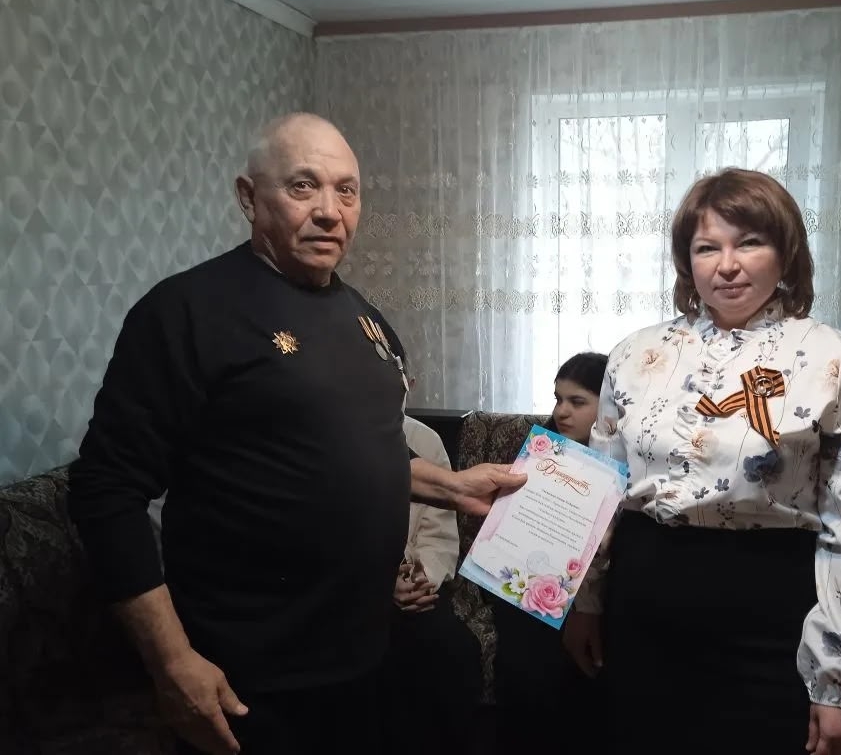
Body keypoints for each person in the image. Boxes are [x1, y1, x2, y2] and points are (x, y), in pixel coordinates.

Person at [67, 112, 524, 755]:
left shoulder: (366, 320)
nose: (330, 211)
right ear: (249, 197)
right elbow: (104, 490)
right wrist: (172, 662)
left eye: (346, 190)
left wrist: (453, 487)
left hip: (368, 657)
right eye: (303, 186)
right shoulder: (186, 312)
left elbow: (357, 454)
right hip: (252, 675)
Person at [562, 169, 841, 755]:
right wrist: (584, 602)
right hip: (642, 605)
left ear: (785, 251)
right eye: (707, 248)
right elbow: (600, 491)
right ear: (685, 261)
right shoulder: (635, 354)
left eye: (749, 242)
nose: (727, 265)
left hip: (768, 612)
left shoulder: (839, 360)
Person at [492, 352, 608, 754]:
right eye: (558, 399)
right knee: (525, 667)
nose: (562, 411)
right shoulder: (540, 452)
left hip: (596, 595)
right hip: (530, 591)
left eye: (577, 401)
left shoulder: (626, 463)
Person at [379, 341, 483, 755]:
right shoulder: (329, 438)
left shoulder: (424, 441)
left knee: (454, 652)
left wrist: (422, 578)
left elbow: (439, 531)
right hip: (354, 593)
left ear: (410, 384)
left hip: (415, 591)